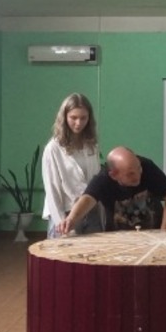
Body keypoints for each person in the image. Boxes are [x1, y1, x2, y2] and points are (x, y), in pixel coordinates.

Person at [58, 146, 166, 234]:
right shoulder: (103, 179)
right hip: (119, 238)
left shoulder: (147, 166)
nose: (138, 176)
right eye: (130, 174)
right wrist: (71, 219)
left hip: (153, 234)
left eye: (139, 169)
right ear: (113, 175)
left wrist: (164, 232)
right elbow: (88, 198)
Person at [41, 93, 103, 238]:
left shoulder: (92, 146)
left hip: (91, 212)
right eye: (73, 118)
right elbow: (52, 190)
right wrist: (61, 222)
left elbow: (96, 181)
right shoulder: (53, 149)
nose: (78, 123)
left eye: (83, 118)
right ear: (64, 117)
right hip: (65, 214)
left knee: (96, 251)